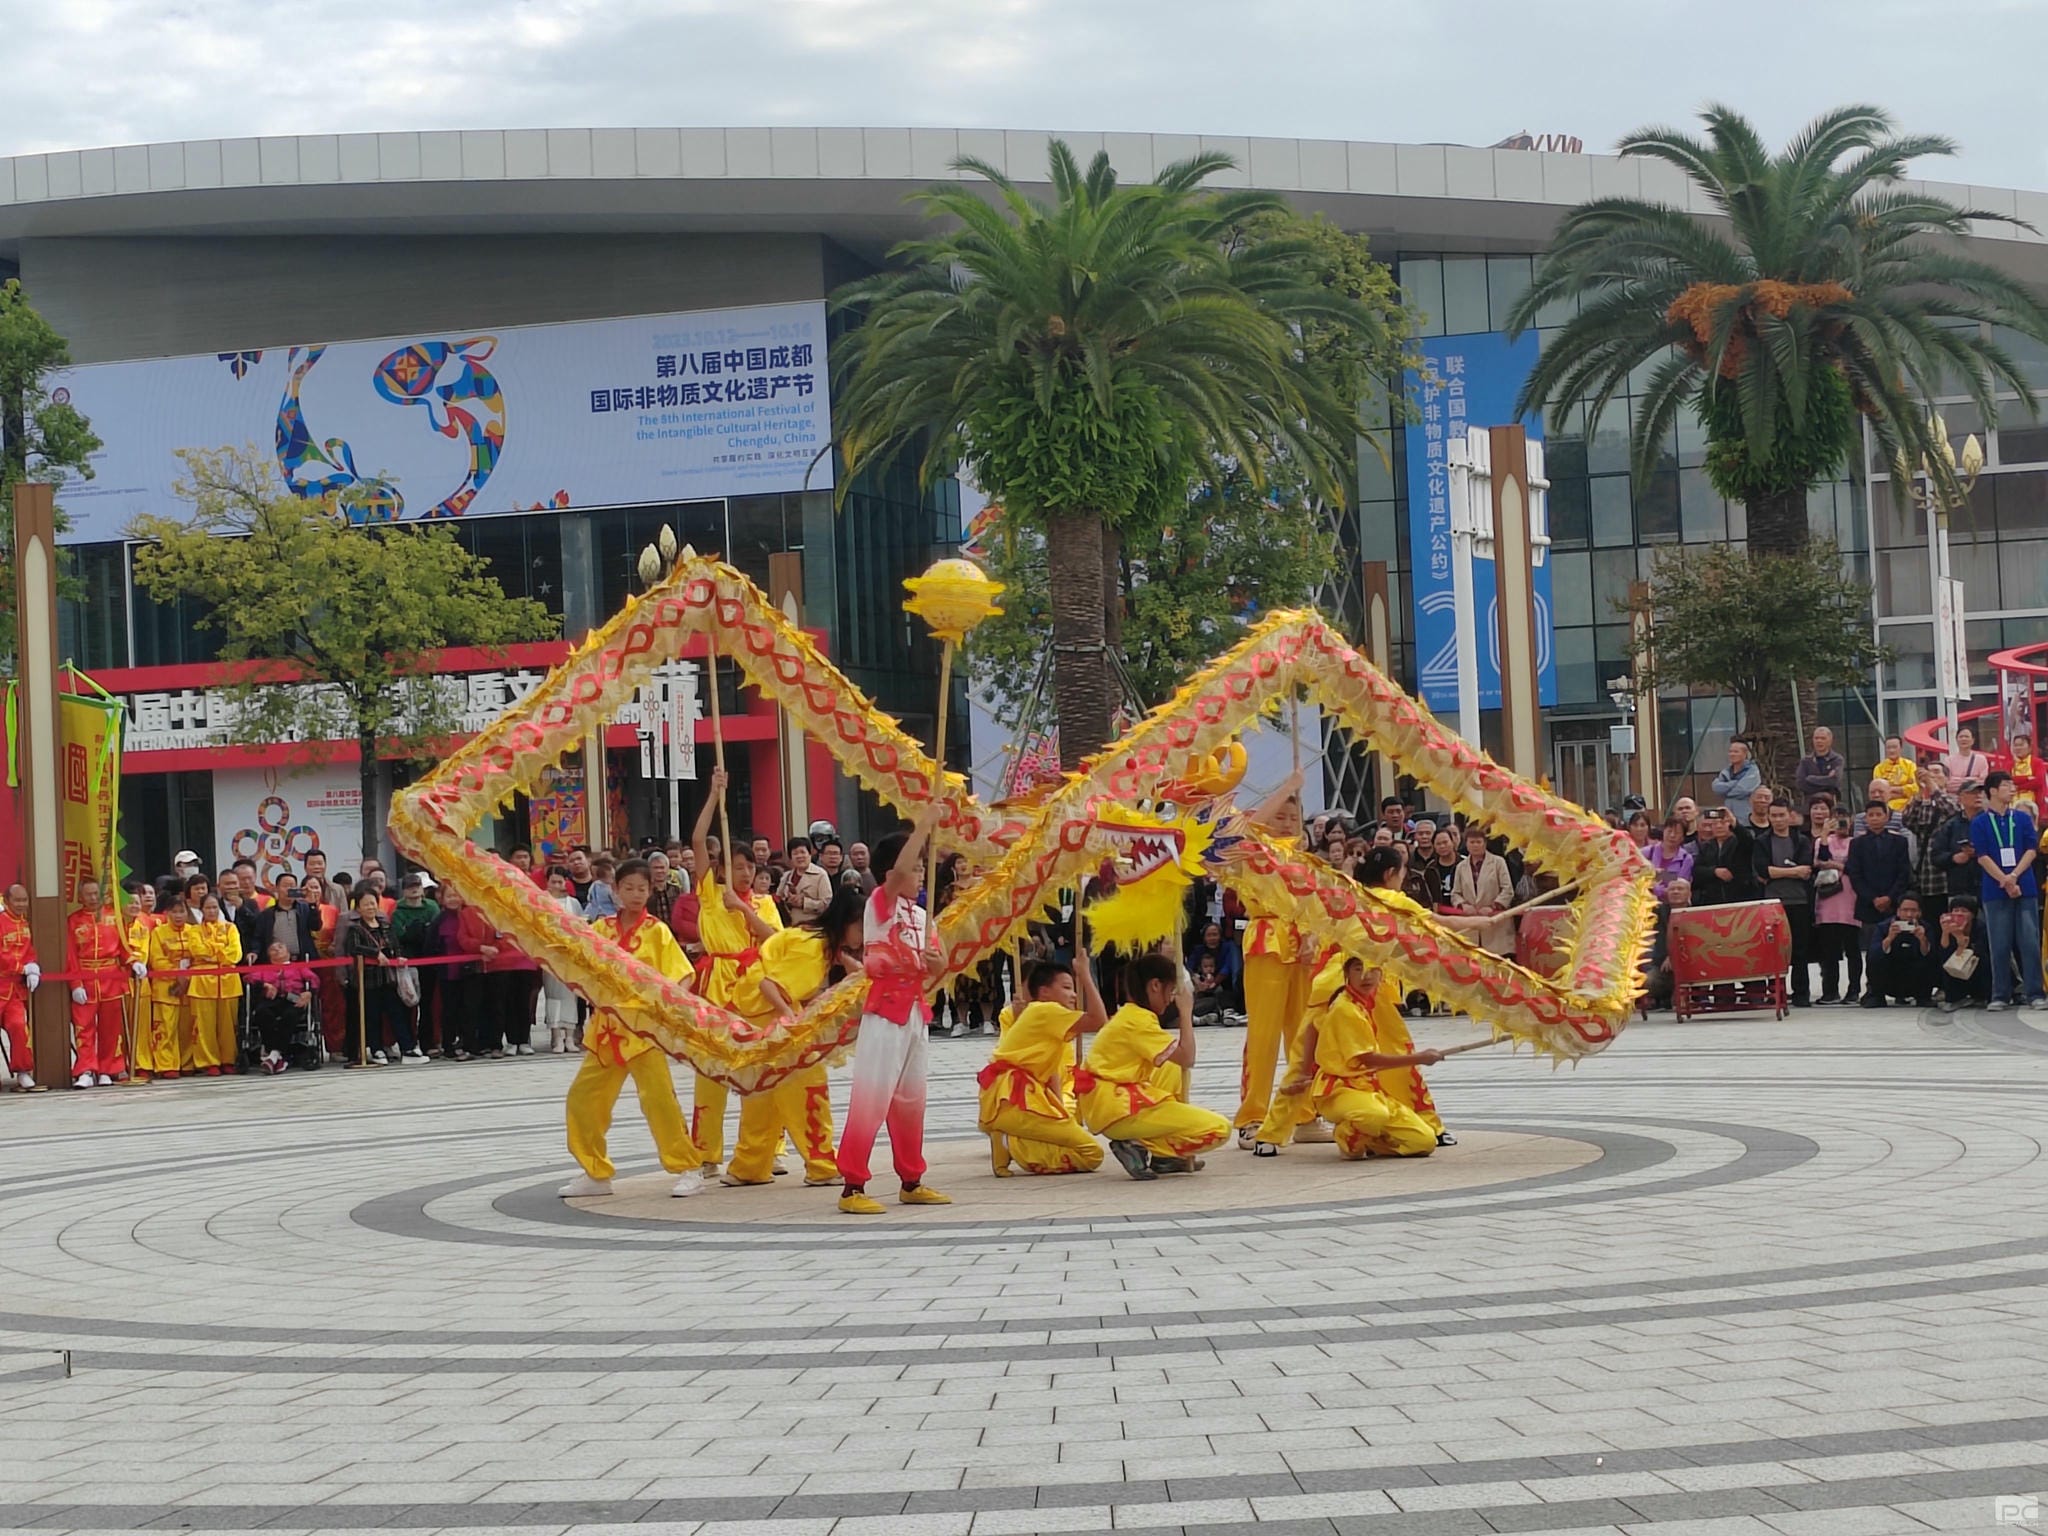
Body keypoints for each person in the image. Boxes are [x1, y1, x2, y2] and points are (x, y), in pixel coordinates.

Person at [559, 858, 706, 1198]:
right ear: (615, 890)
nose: (636, 894)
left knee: (659, 1101)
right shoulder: (601, 929)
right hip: (606, 1030)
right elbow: (581, 965)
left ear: (650, 891)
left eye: (642, 888)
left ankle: (688, 1167)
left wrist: (669, 1006)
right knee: (582, 1099)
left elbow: (682, 974)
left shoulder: (656, 931)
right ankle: (595, 1172)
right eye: (629, 888)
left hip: (644, 1032)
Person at [835, 808, 949, 1213]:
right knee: (872, 1096)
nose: (919, 875)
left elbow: (939, 965)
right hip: (884, 1012)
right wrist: (924, 826)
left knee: (912, 1098)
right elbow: (900, 873)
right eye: (916, 868)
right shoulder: (879, 905)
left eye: (922, 869)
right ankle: (852, 1186)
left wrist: (938, 964)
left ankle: (911, 1179)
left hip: (916, 1011)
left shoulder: (922, 916)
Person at [723, 885, 867, 1188]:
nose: (864, 937)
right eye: (861, 928)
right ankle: (822, 1165)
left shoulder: (814, 939)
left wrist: (846, 961)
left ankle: (748, 1167)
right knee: (807, 1086)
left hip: (753, 1012)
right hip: (770, 1015)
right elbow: (769, 986)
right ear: (846, 924)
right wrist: (789, 1018)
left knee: (763, 1094)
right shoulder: (812, 951)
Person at [1250, 953, 1441, 1159]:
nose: (1365, 975)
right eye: (1359, 969)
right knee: (1301, 1072)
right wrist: (1306, 1070)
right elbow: (1317, 1027)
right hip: (1340, 1081)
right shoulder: (1342, 1001)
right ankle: (1272, 1134)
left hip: (1369, 1080)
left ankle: (1412, 1127)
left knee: (1399, 1051)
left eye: (1370, 971)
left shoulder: (1372, 981)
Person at [690, 770, 783, 1172]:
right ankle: (706, 1152)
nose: (744, 873)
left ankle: (765, 1149)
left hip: (755, 986)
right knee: (711, 1070)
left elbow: (775, 941)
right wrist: (715, 794)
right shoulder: (710, 893)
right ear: (723, 867)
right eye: (737, 866)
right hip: (717, 985)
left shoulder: (763, 902)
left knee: (761, 1067)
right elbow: (698, 841)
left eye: (749, 867)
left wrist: (743, 908)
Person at [1079, 951, 1230, 1180]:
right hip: (1116, 1109)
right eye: (1170, 991)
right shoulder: (1137, 1021)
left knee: (1170, 1066)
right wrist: (1186, 1011)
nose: (1171, 999)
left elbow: (1178, 1059)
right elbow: (1187, 1057)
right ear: (1155, 986)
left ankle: (1161, 1156)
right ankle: (1143, 1145)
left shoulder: (1131, 1015)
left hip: (1108, 1103)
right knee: (1220, 1129)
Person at [1231, 769, 1316, 1148]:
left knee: (1304, 1033)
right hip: (1267, 940)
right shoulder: (1252, 851)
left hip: (1301, 943)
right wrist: (1286, 787)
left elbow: (1314, 904)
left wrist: (1313, 935)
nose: (1286, 823)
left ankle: (1305, 1112)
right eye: (1280, 816)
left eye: (1293, 818)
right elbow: (1246, 829)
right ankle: (1253, 1115)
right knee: (1263, 1035)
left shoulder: (1304, 861)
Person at [979, 952, 1110, 1177]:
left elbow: (1052, 1074)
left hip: (1015, 1098)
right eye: (1067, 987)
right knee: (1092, 1153)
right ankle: (1013, 1142)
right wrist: (1085, 975)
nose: (1073, 994)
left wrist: (1060, 1114)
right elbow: (1099, 1021)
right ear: (1044, 992)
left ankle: (1008, 1138)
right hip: (1016, 1098)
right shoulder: (1046, 1010)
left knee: (1063, 1139)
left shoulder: (1043, 1016)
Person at [1969, 770, 2046, 1010]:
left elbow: (2031, 850)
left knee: (2029, 942)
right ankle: (2000, 994)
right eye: (2006, 785)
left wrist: (2014, 876)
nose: (2012, 789)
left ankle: (2035, 992)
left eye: (2012, 785)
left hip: (2025, 886)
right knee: (1999, 944)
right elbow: (1982, 856)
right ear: (1992, 790)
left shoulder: (2021, 818)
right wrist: (2004, 879)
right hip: (1995, 888)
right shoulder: (1980, 822)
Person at [65, 879, 135, 1087]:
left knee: (110, 1029)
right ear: (80, 897)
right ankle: (86, 1069)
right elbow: (70, 955)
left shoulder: (114, 917)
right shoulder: (73, 921)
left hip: (111, 977)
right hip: (85, 977)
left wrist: (134, 962)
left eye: (96, 893)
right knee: (83, 1028)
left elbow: (124, 947)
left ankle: (108, 1069)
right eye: (88, 894)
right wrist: (75, 984)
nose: (93, 898)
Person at [1846, 798, 1914, 1000]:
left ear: (1887, 817)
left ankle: (1901, 990)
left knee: (1899, 946)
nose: (1875, 818)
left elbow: (1903, 873)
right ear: (1865, 818)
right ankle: (1874, 990)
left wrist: (1890, 897)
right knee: (1873, 949)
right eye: (1871, 815)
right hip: (1868, 904)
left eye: (1879, 814)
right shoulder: (1857, 844)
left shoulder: (1899, 842)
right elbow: (1855, 875)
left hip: (1894, 904)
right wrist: (1873, 898)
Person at [344, 888, 417, 1065]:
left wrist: (398, 956)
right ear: (358, 908)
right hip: (368, 980)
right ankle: (376, 1050)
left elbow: (395, 945)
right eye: (365, 904)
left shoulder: (385, 925)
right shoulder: (355, 928)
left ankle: (407, 1049)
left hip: (389, 978)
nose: (370, 907)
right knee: (372, 1017)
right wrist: (375, 953)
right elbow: (353, 948)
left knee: (397, 1014)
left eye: (373, 903)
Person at [1753, 799, 1815, 1007]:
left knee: (1800, 950)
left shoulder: (1801, 840)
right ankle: (1775, 993)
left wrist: (1778, 872)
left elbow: (1806, 870)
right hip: (1773, 902)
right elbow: (1764, 870)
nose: (1778, 820)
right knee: (1773, 950)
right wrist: (1793, 871)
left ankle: (1801, 993)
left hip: (1799, 900)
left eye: (1781, 815)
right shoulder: (1762, 841)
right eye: (1774, 816)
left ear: (1790, 815)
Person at [144, 891, 204, 1081]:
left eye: (182, 911)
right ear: (167, 913)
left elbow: (199, 956)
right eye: (174, 912)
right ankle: (166, 1064)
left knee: (187, 1028)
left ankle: (186, 1063)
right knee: (165, 1028)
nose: (178, 915)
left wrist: (188, 975)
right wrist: (176, 973)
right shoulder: (158, 932)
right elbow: (156, 959)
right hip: (166, 987)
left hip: (189, 986)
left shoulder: (194, 931)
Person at [1810, 803, 1861, 1005]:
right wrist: (1824, 834)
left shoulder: (1856, 842)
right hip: (1827, 902)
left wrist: (1836, 865)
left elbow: (1856, 868)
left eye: (1844, 819)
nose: (1840, 823)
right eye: (1836, 819)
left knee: (1853, 950)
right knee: (1829, 951)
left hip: (1851, 901)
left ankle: (1854, 990)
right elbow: (1820, 861)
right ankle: (1830, 991)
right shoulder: (1822, 841)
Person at [190, 893, 245, 1075]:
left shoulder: (230, 928)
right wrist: (221, 951)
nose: (212, 911)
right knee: (204, 1025)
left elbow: (235, 953)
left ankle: (228, 1059)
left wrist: (213, 954)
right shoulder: (194, 931)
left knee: (228, 1024)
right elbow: (197, 950)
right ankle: (209, 1062)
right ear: (201, 910)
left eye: (215, 907)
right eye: (208, 907)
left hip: (228, 980)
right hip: (202, 981)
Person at [248, 940, 317, 1072]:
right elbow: (249, 978)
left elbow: (314, 979)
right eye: (273, 949)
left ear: (288, 953)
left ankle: (272, 1055)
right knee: (262, 1013)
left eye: (280, 947)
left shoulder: (298, 967)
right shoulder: (264, 968)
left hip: (293, 997)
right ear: (269, 955)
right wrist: (265, 985)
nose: (277, 949)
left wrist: (309, 993)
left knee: (290, 1015)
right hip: (271, 998)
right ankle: (277, 1057)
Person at [1449, 824, 1516, 954]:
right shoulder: (1461, 867)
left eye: (1478, 842)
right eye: (1472, 842)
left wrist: (1493, 907)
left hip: (1496, 924)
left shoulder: (1498, 862)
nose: (1475, 845)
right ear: (1466, 844)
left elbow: (1507, 890)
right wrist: (1463, 905)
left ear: (1485, 843)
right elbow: (1455, 893)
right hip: (1471, 923)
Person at [1902, 761, 1961, 902]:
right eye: (1928, 772)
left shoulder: (1955, 799)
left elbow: (1953, 811)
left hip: (1950, 877)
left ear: (1947, 778)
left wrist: (1933, 787)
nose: (1931, 775)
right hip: (1928, 878)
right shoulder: (1922, 805)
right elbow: (1907, 821)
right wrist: (1920, 791)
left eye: (1936, 772)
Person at [540, 869, 585, 1053]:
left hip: (570, 955)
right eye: (554, 882)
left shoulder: (573, 903)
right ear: (547, 882)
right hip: (550, 955)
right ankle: (556, 1036)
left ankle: (570, 1037)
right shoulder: (541, 901)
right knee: (553, 996)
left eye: (560, 882)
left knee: (570, 996)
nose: (557, 885)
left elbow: (581, 926)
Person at [0, 884, 40, 1090]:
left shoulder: (25, 923)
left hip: (14, 991)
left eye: (24, 900)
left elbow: (29, 951)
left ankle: (23, 1071)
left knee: (19, 1026)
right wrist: (22, 967)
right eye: (17, 900)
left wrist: (32, 966)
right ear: (7, 901)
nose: (21, 904)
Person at [1864, 893, 1935, 1007]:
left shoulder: (1926, 928)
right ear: (1898, 911)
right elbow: (1873, 954)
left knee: (1931, 959)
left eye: (1913, 910)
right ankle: (1876, 996)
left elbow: (1930, 955)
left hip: (1915, 977)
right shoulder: (1883, 926)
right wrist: (1889, 938)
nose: (1909, 914)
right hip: (1890, 975)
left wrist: (1922, 939)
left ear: (1920, 912)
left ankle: (1924, 997)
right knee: (1874, 957)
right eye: (1905, 910)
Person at [1640, 877, 1692, 1010]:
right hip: (1663, 966)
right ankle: (1664, 997)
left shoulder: (1697, 912)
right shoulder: (1659, 912)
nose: (1675, 892)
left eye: (1680, 889)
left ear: (1689, 893)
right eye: (1672, 889)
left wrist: (1673, 956)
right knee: (1648, 982)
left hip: (1691, 965)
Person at [1934, 777, 1988, 902]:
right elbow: (1936, 856)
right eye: (1972, 793)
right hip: (1958, 889)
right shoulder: (1951, 824)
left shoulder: (1991, 821)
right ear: (1960, 798)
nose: (1978, 796)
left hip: (1987, 887)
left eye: (1980, 792)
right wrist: (1953, 858)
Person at [1690, 808, 1759, 906]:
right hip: (1714, 900)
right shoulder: (1706, 846)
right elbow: (1697, 870)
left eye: (1723, 823)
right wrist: (1714, 872)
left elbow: (1747, 839)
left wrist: (1733, 821)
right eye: (1714, 824)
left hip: (1741, 898)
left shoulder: (1739, 842)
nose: (1719, 826)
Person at [1934, 896, 1991, 1012]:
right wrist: (1946, 933)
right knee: (1947, 963)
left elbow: (1979, 953)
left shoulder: (1981, 928)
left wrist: (1962, 940)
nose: (1959, 914)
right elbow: (1944, 954)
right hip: (1956, 973)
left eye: (1964, 911)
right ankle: (1954, 997)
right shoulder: (1948, 926)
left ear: (1973, 914)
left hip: (1977, 969)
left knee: (1984, 961)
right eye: (1956, 910)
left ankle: (1983, 995)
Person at [776, 837, 834, 925]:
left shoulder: (820, 874)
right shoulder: (786, 876)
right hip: (789, 925)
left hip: (811, 925)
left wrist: (804, 903)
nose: (799, 856)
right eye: (795, 853)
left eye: (803, 852)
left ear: (810, 854)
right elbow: (778, 898)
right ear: (790, 857)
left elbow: (827, 904)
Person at [1794, 726, 1848, 808]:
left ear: (1830, 740)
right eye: (1816, 738)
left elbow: (1834, 781)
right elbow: (1801, 784)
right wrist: (1826, 783)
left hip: (1830, 806)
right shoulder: (1805, 761)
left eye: (1823, 738)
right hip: (1809, 806)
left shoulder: (1837, 759)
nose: (1819, 741)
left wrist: (1811, 779)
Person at [1712, 739, 1761, 821]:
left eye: (1736, 752)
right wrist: (1735, 783)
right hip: (1728, 815)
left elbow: (1743, 789)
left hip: (1745, 815)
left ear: (1745, 754)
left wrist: (1725, 792)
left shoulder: (1752, 770)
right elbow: (1716, 788)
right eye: (1730, 751)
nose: (1732, 754)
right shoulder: (1726, 771)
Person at [1647, 818, 1695, 900]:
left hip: (1673, 902)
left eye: (1677, 833)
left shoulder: (1686, 858)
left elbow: (1680, 886)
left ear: (1683, 837)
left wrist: (1657, 888)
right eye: (1669, 831)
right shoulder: (1647, 852)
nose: (1672, 835)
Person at [1872, 735, 1918, 811]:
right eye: (1888, 748)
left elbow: (1916, 788)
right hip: (1886, 809)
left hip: (1909, 807)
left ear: (1901, 748)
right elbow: (1878, 793)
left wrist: (1892, 789)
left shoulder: (1910, 765)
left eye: (1894, 747)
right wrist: (1905, 791)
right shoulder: (1879, 768)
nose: (1891, 750)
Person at [2009, 730, 2042, 815]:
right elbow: (2008, 780)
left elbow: (2038, 782)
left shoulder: (2037, 762)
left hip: (2033, 803)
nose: (2018, 748)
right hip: (2012, 803)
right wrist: (2027, 778)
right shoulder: (2009, 764)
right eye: (2016, 745)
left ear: (2029, 747)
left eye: (2021, 745)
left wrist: (2017, 787)